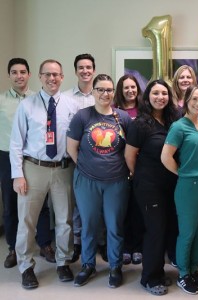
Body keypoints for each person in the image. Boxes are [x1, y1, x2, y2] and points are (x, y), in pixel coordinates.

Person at [10, 59, 79, 289]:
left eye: (56, 75)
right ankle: (26, 266)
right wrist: (18, 174)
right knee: (27, 221)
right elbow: (16, 143)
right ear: (39, 77)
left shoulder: (72, 105)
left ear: (62, 77)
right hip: (33, 169)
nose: (52, 79)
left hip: (62, 169)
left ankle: (62, 261)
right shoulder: (27, 105)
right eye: (47, 74)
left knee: (65, 220)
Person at [67, 74, 131, 288]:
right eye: (101, 89)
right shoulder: (82, 116)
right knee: (89, 225)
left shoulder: (123, 118)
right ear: (93, 91)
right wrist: (86, 168)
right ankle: (88, 265)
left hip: (117, 181)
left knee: (114, 225)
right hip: (87, 181)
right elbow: (71, 148)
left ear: (114, 92)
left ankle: (115, 266)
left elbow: (131, 149)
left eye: (109, 90)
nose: (105, 94)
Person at [161, 85, 198, 295]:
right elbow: (165, 157)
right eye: (194, 99)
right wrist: (184, 174)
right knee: (187, 233)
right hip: (189, 186)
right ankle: (183, 274)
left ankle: (194, 270)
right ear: (186, 101)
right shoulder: (179, 126)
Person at [125, 79, 179, 295]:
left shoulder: (173, 120)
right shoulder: (140, 124)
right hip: (149, 185)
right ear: (147, 97)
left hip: (171, 184)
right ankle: (149, 277)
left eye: (164, 93)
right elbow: (130, 156)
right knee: (155, 230)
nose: (160, 97)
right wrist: (139, 176)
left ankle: (158, 270)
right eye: (155, 93)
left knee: (166, 229)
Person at [0, 58, 55, 269]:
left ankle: (44, 244)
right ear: (9, 76)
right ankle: (14, 248)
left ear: (30, 74)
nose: (19, 76)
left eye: (23, 71)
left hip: (34, 158)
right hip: (6, 157)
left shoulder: (39, 99)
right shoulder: (2, 101)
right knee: (11, 204)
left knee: (41, 204)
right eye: (14, 72)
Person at [64, 53, 104, 263]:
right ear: (76, 71)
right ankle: (78, 243)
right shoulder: (66, 97)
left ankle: (101, 242)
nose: (85, 71)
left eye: (89, 67)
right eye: (81, 67)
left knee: (102, 204)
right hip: (77, 159)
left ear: (94, 70)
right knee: (80, 205)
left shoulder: (102, 94)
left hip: (102, 161)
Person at [114, 74, 145, 265]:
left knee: (138, 208)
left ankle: (138, 247)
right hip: (120, 166)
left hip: (141, 166)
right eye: (126, 88)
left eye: (133, 87)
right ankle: (125, 247)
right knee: (122, 208)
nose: (130, 91)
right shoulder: (114, 111)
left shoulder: (144, 110)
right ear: (121, 90)